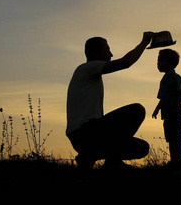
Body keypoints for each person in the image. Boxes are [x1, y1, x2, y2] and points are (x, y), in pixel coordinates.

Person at [66, 32, 154, 169]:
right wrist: (145, 42)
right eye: (107, 50)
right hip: (84, 134)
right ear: (95, 53)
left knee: (142, 148)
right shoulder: (87, 68)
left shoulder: (90, 75)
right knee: (137, 110)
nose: (111, 54)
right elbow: (126, 62)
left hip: (89, 135)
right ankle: (111, 161)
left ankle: (90, 157)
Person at [152, 49, 181, 164]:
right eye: (158, 61)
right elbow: (163, 98)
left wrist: (174, 108)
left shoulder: (176, 78)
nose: (158, 64)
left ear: (170, 63)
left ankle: (178, 160)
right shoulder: (164, 80)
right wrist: (157, 110)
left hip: (175, 113)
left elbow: (180, 94)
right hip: (167, 114)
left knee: (176, 137)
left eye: (161, 61)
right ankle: (173, 159)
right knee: (170, 138)